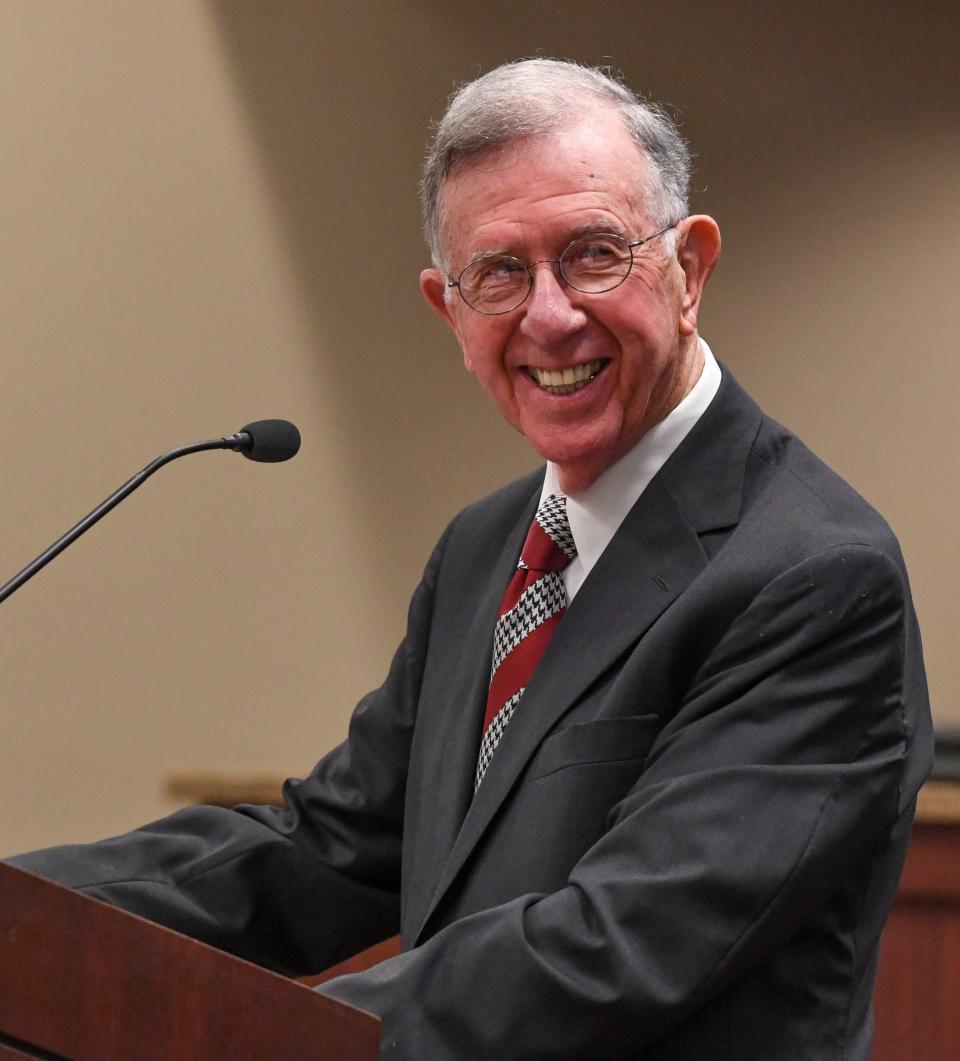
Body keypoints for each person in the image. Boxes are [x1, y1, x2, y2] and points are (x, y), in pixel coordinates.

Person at [8, 59, 932, 1059]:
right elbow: (328, 849)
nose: (549, 317)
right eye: (499, 272)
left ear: (691, 269)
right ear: (448, 310)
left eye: (593, 254)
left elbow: (618, 944)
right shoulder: (487, 548)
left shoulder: (814, 571)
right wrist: (18, 920)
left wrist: (272, 1037)